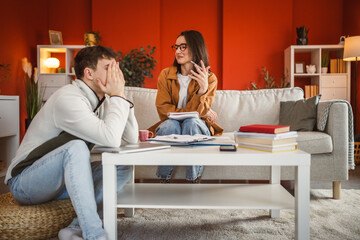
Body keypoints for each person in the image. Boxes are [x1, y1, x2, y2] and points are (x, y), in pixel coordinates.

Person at [5, 46, 139, 240]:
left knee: (122, 166)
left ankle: (74, 229)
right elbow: (111, 138)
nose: (115, 73)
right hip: (25, 182)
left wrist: (121, 96)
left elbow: (131, 137)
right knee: (75, 148)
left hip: (60, 181)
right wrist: (117, 96)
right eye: (109, 67)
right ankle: (94, 235)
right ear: (89, 73)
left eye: (116, 67)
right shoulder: (68, 98)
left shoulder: (104, 100)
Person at [148, 30, 223, 183]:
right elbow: (163, 110)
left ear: (195, 48)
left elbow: (198, 114)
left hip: (195, 126)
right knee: (170, 124)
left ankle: (193, 178)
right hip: (171, 124)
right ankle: (163, 179)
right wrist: (202, 111)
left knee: (192, 122)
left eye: (183, 47)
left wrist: (202, 90)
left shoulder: (210, 78)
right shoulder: (166, 74)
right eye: (176, 47)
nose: (177, 51)